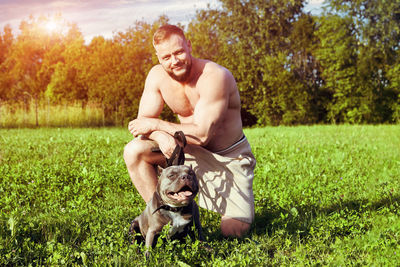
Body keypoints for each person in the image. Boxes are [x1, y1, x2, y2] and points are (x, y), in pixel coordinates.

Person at [124, 24, 256, 237]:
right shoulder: (157, 77)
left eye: (178, 52)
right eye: (166, 57)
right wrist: (162, 138)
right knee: (135, 150)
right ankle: (165, 218)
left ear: (189, 46)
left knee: (233, 232)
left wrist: (158, 126)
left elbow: (203, 134)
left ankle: (227, 212)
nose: (174, 61)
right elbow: (142, 124)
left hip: (229, 160)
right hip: (186, 156)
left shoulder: (214, 76)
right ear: (158, 58)